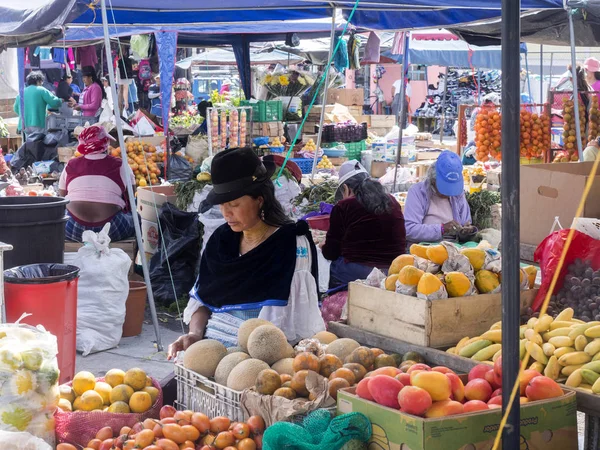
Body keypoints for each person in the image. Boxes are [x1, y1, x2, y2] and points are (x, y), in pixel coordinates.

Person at [167, 147, 325, 356]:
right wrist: (194, 335)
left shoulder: (291, 244)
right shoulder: (220, 240)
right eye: (222, 205)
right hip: (211, 351)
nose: (226, 213)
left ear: (260, 200)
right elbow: (204, 299)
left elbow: (298, 325)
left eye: (234, 204)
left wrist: (259, 354)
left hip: (263, 357)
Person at [322, 161, 406, 291]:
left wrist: (324, 246)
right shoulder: (392, 201)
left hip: (359, 272)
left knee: (334, 265)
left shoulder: (344, 206)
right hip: (394, 270)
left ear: (345, 188)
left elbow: (331, 253)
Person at [59, 124, 136, 243]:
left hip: (73, 227)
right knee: (138, 218)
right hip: (111, 229)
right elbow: (131, 198)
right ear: (106, 143)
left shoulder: (70, 165)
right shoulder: (121, 165)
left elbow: (62, 197)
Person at [404, 151, 472, 248]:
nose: (449, 193)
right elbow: (409, 229)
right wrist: (441, 229)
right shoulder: (417, 192)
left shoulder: (458, 194)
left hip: (455, 247)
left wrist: (467, 230)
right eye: (445, 188)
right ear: (433, 181)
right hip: (425, 248)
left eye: (452, 188)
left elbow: (466, 222)